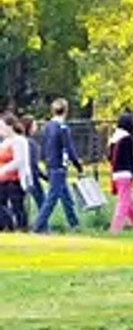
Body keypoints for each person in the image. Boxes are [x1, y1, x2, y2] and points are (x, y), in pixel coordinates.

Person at [32, 98, 83, 234]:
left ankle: (75, 224)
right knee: (52, 198)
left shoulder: (48, 126)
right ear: (66, 110)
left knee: (66, 197)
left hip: (50, 164)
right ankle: (38, 226)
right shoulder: (63, 127)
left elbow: (44, 147)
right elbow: (69, 148)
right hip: (59, 166)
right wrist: (78, 165)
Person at [107, 113, 133, 234]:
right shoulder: (126, 139)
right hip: (125, 174)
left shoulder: (114, 138)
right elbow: (129, 160)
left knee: (130, 202)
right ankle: (115, 228)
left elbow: (109, 157)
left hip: (116, 173)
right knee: (124, 203)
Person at [0, 114, 28, 231]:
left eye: (1, 127)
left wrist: (3, 169)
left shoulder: (19, 141)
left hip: (14, 180)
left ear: (9, 126)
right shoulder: (4, 143)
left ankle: (22, 228)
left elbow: (19, 160)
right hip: (2, 180)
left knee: (17, 207)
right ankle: (6, 226)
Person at [20, 116, 45, 212]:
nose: (36, 127)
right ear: (29, 127)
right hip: (32, 177)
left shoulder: (19, 141)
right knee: (42, 203)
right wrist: (45, 177)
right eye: (34, 124)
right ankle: (43, 225)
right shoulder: (31, 143)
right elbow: (33, 164)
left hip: (20, 176)